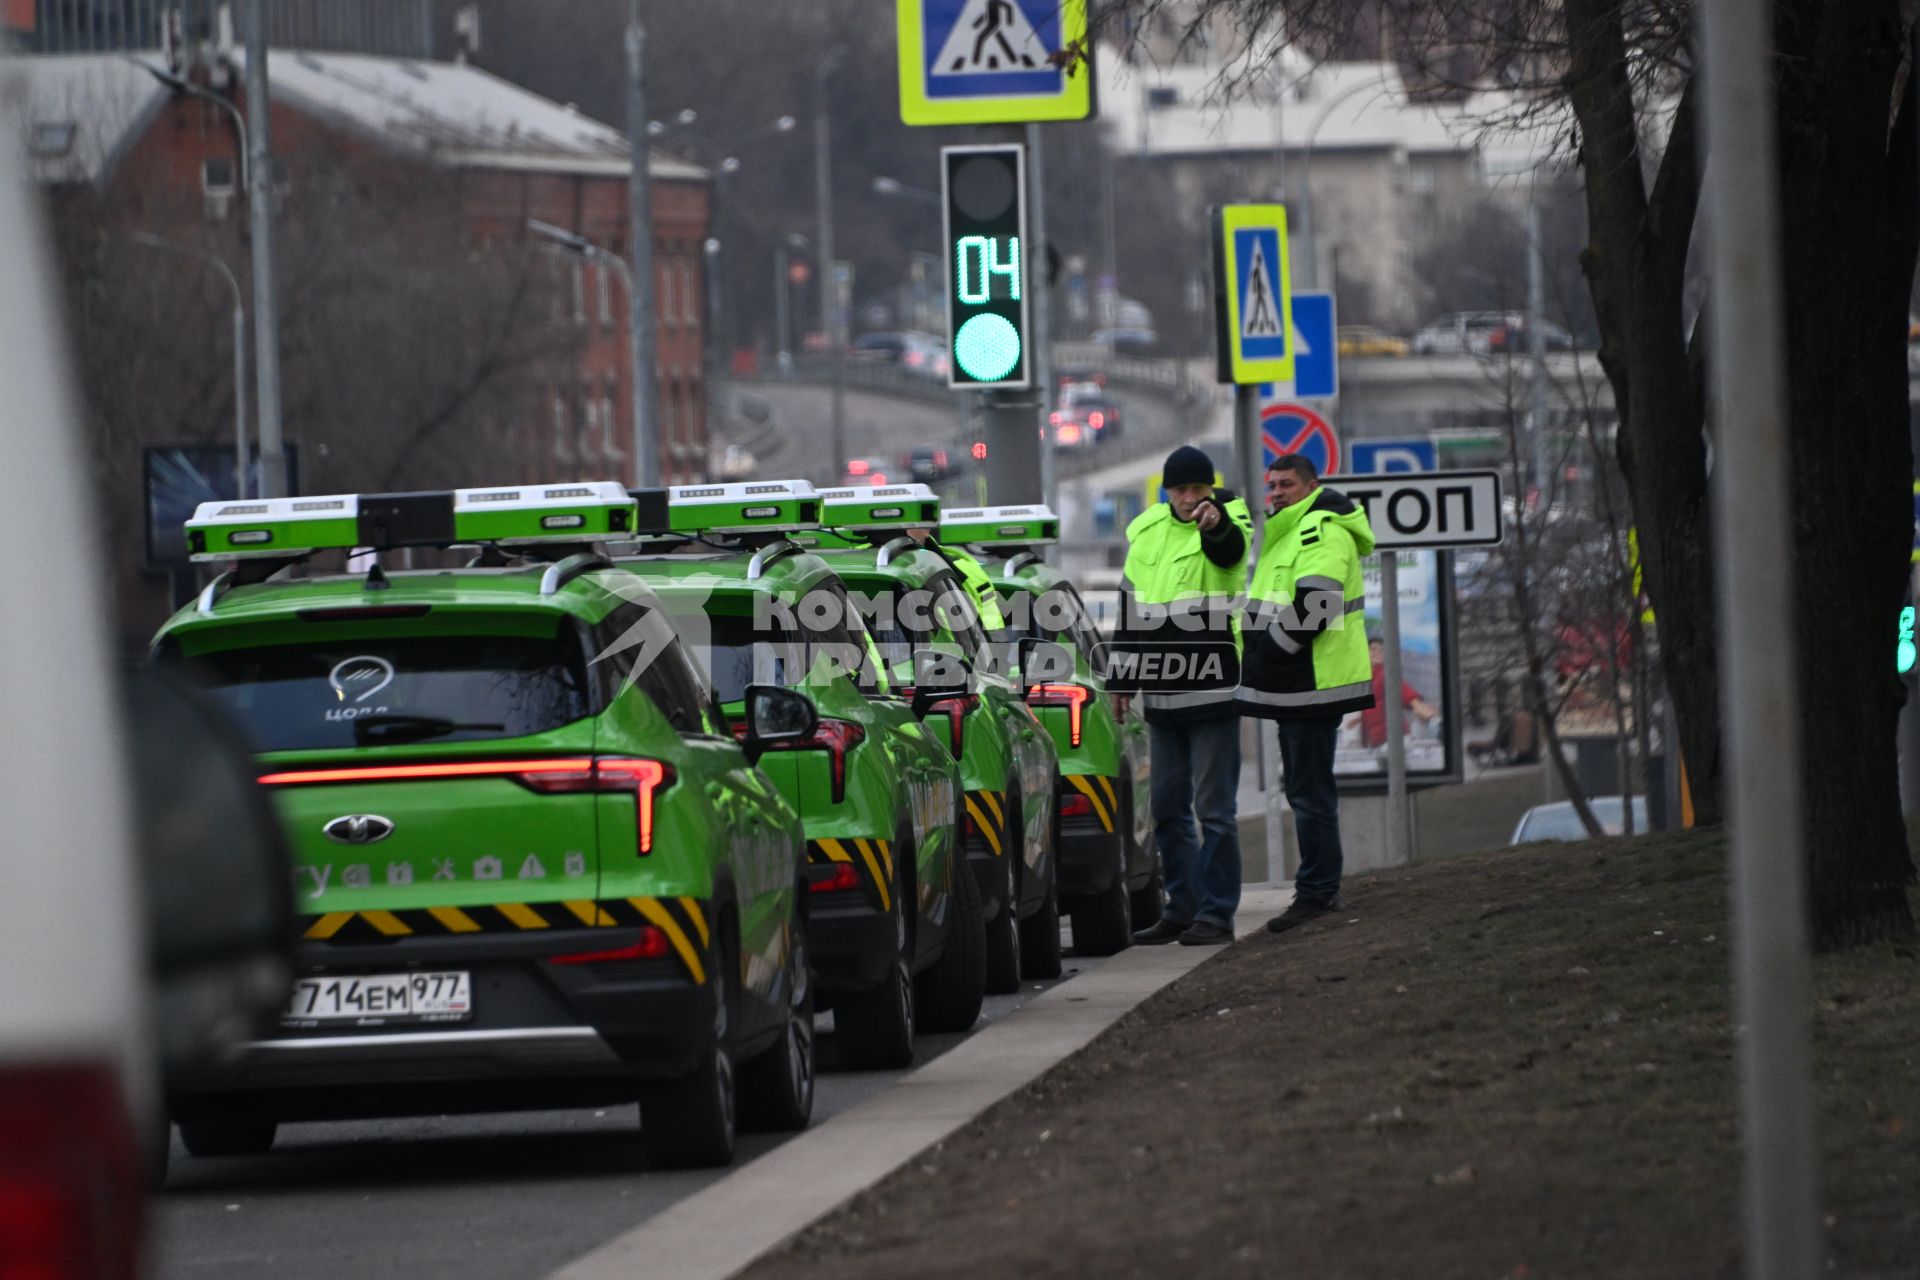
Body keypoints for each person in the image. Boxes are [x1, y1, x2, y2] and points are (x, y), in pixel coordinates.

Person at [1110, 445, 1253, 947]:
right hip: (1162, 690)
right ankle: (1183, 907)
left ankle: (1216, 914)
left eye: (1198, 488)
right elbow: (1129, 610)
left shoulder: (1227, 518)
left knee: (1214, 810)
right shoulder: (1146, 532)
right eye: (1182, 489)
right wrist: (1121, 679)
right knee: (1168, 808)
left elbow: (1229, 553)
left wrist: (1213, 525)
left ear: (1210, 489)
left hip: (1214, 687)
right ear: (1167, 490)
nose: (1190, 497)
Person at [1238, 453, 1376, 933]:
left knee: (1310, 792)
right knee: (1304, 789)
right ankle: (1318, 890)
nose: (1276, 493)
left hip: (1313, 681)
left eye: (1286, 485)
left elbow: (1316, 605)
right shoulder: (1290, 528)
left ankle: (1318, 893)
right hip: (1297, 683)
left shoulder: (1321, 527)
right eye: (1271, 485)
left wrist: (1272, 651)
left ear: (1312, 485)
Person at [1357, 634, 1438, 749]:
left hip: (1393, 741)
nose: (1377, 652)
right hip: (1378, 744)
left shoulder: (1386, 674)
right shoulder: (1366, 681)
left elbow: (1405, 692)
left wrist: (1420, 708)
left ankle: (1437, 725)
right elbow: (1371, 712)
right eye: (1374, 649)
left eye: (1382, 650)